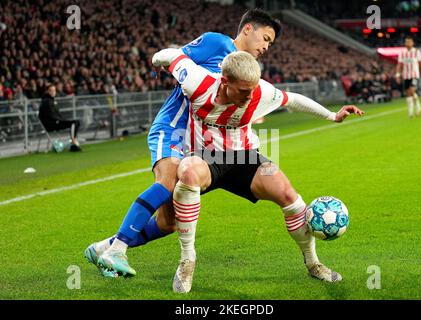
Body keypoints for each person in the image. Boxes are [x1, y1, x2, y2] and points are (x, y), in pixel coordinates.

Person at [101, 49, 364, 293]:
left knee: (289, 196)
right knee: (188, 172)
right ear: (224, 81)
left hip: (246, 156)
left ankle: (314, 263)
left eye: (252, 89)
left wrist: (332, 116)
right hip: (204, 158)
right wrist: (156, 61)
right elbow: (171, 55)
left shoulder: (261, 92)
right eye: (243, 91)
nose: (250, 96)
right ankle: (187, 260)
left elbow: (293, 100)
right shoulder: (197, 82)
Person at [84, 9, 282, 277]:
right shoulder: (216, 43)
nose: (266, 47)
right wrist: (169, 67)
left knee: (168, 223)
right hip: (173, 128)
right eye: (265, 38)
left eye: (270, 43)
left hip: (196, 142)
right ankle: (116, 250)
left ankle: (100, 248)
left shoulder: (244, 72)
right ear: (248, 29)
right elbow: (176, 58)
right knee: (166, 182)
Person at [38, 84, 82, 152]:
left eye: (54, 91)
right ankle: (73, 143)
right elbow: (50, 115)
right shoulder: (46, 101)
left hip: (55, 122)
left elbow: (55, 114)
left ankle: (73, 142)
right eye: (51, 91)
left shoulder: (51, 100)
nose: (53, 92)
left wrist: (61, 120)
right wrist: (60, 120)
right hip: (51, 124)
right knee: (74, 123)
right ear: (47, 91)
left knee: (76, 122)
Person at [395, 36, 421, 118]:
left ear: (412, 43)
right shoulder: (402, 53)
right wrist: (398, 75)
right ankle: (411, 112)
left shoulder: (416, 52)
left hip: (414, 75)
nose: (408, 43)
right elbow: (399, 64)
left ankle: (417, 108)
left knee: (412, 90)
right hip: (406, 75)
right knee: (408, 93)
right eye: (406, 42)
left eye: (409, 42)